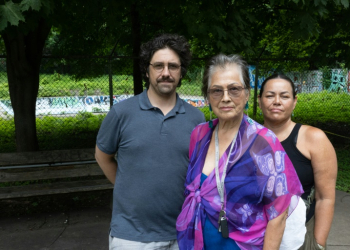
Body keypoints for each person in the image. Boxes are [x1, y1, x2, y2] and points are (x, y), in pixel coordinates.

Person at [176, 54, 304, 250]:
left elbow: (278, 214)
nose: (226, 97)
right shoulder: (200, 135)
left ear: (246, 94)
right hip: (198, 242)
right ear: (208, 96)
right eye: (217, 90)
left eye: (234, 89)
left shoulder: (263, 142)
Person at [95, 34, 205, 250]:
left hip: (182, 232)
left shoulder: (196, 118)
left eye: (173, 66)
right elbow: (102, 156)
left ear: (181, 72)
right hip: (131, 236)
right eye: (159, 66)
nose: (166, 73)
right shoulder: (121, 113)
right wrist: (129, 188)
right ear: (147, 70)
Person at [258, 74, 337, 250]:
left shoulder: (313, 138)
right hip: (255, 236)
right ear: (259, 100)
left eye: (284, 96)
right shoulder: (249, 138)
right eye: (270, 95)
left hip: (299, 237)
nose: (277, 101)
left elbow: (325, 198)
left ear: (294, 101)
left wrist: (318, 244)